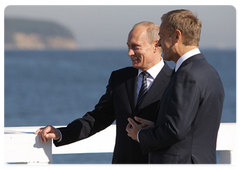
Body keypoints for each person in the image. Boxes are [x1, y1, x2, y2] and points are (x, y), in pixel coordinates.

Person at [35, 21, 172, 164]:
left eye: (135, 47)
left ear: (156, 45)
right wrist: (61, 133)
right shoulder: (119, 79)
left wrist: (154, 129)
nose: (129, 53)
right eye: (128, 47)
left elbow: (181, 128)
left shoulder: (175, 81)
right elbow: (98, 118)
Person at [126, 9, 225, 165]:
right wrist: (156, 127)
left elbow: (175, 131)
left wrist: (140, 135)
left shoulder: (187, 75)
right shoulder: (209, 72)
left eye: (162, 37)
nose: (158, 43)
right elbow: (190, 126)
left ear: (177, 36)